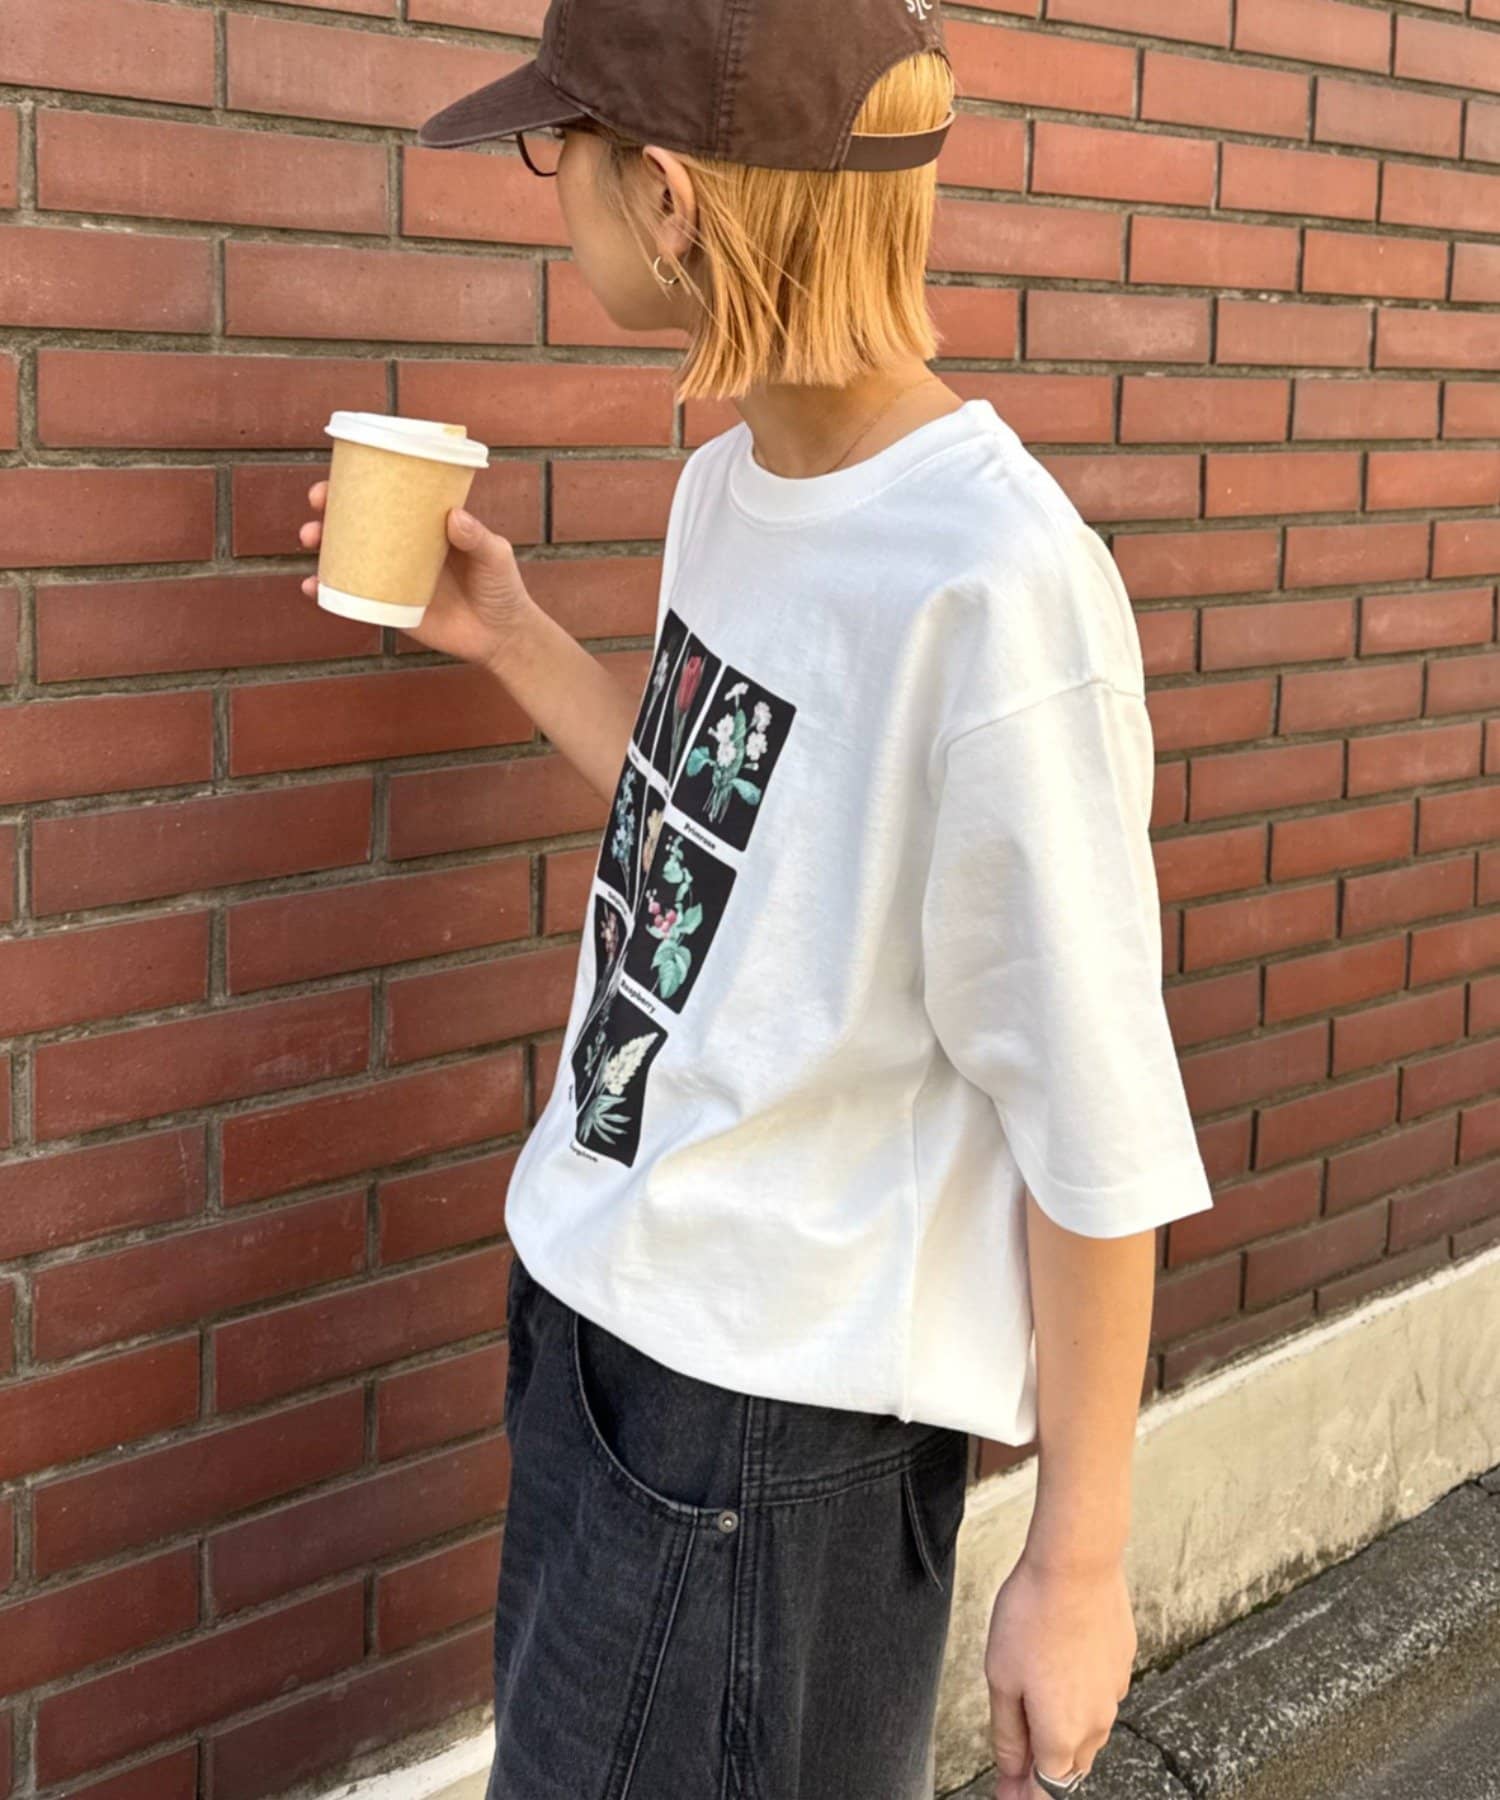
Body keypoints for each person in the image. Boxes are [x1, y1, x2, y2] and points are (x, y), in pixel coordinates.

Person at [297, 4, 1215, 1796]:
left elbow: (1096, 1114)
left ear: (669, 200)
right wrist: (510, 633)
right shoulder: (733, 482)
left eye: (559, 146)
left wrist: (1081, 1563)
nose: (546, 184)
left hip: (764, 1443)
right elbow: (717, 836)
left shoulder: (997, 589)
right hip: (601, 1334)